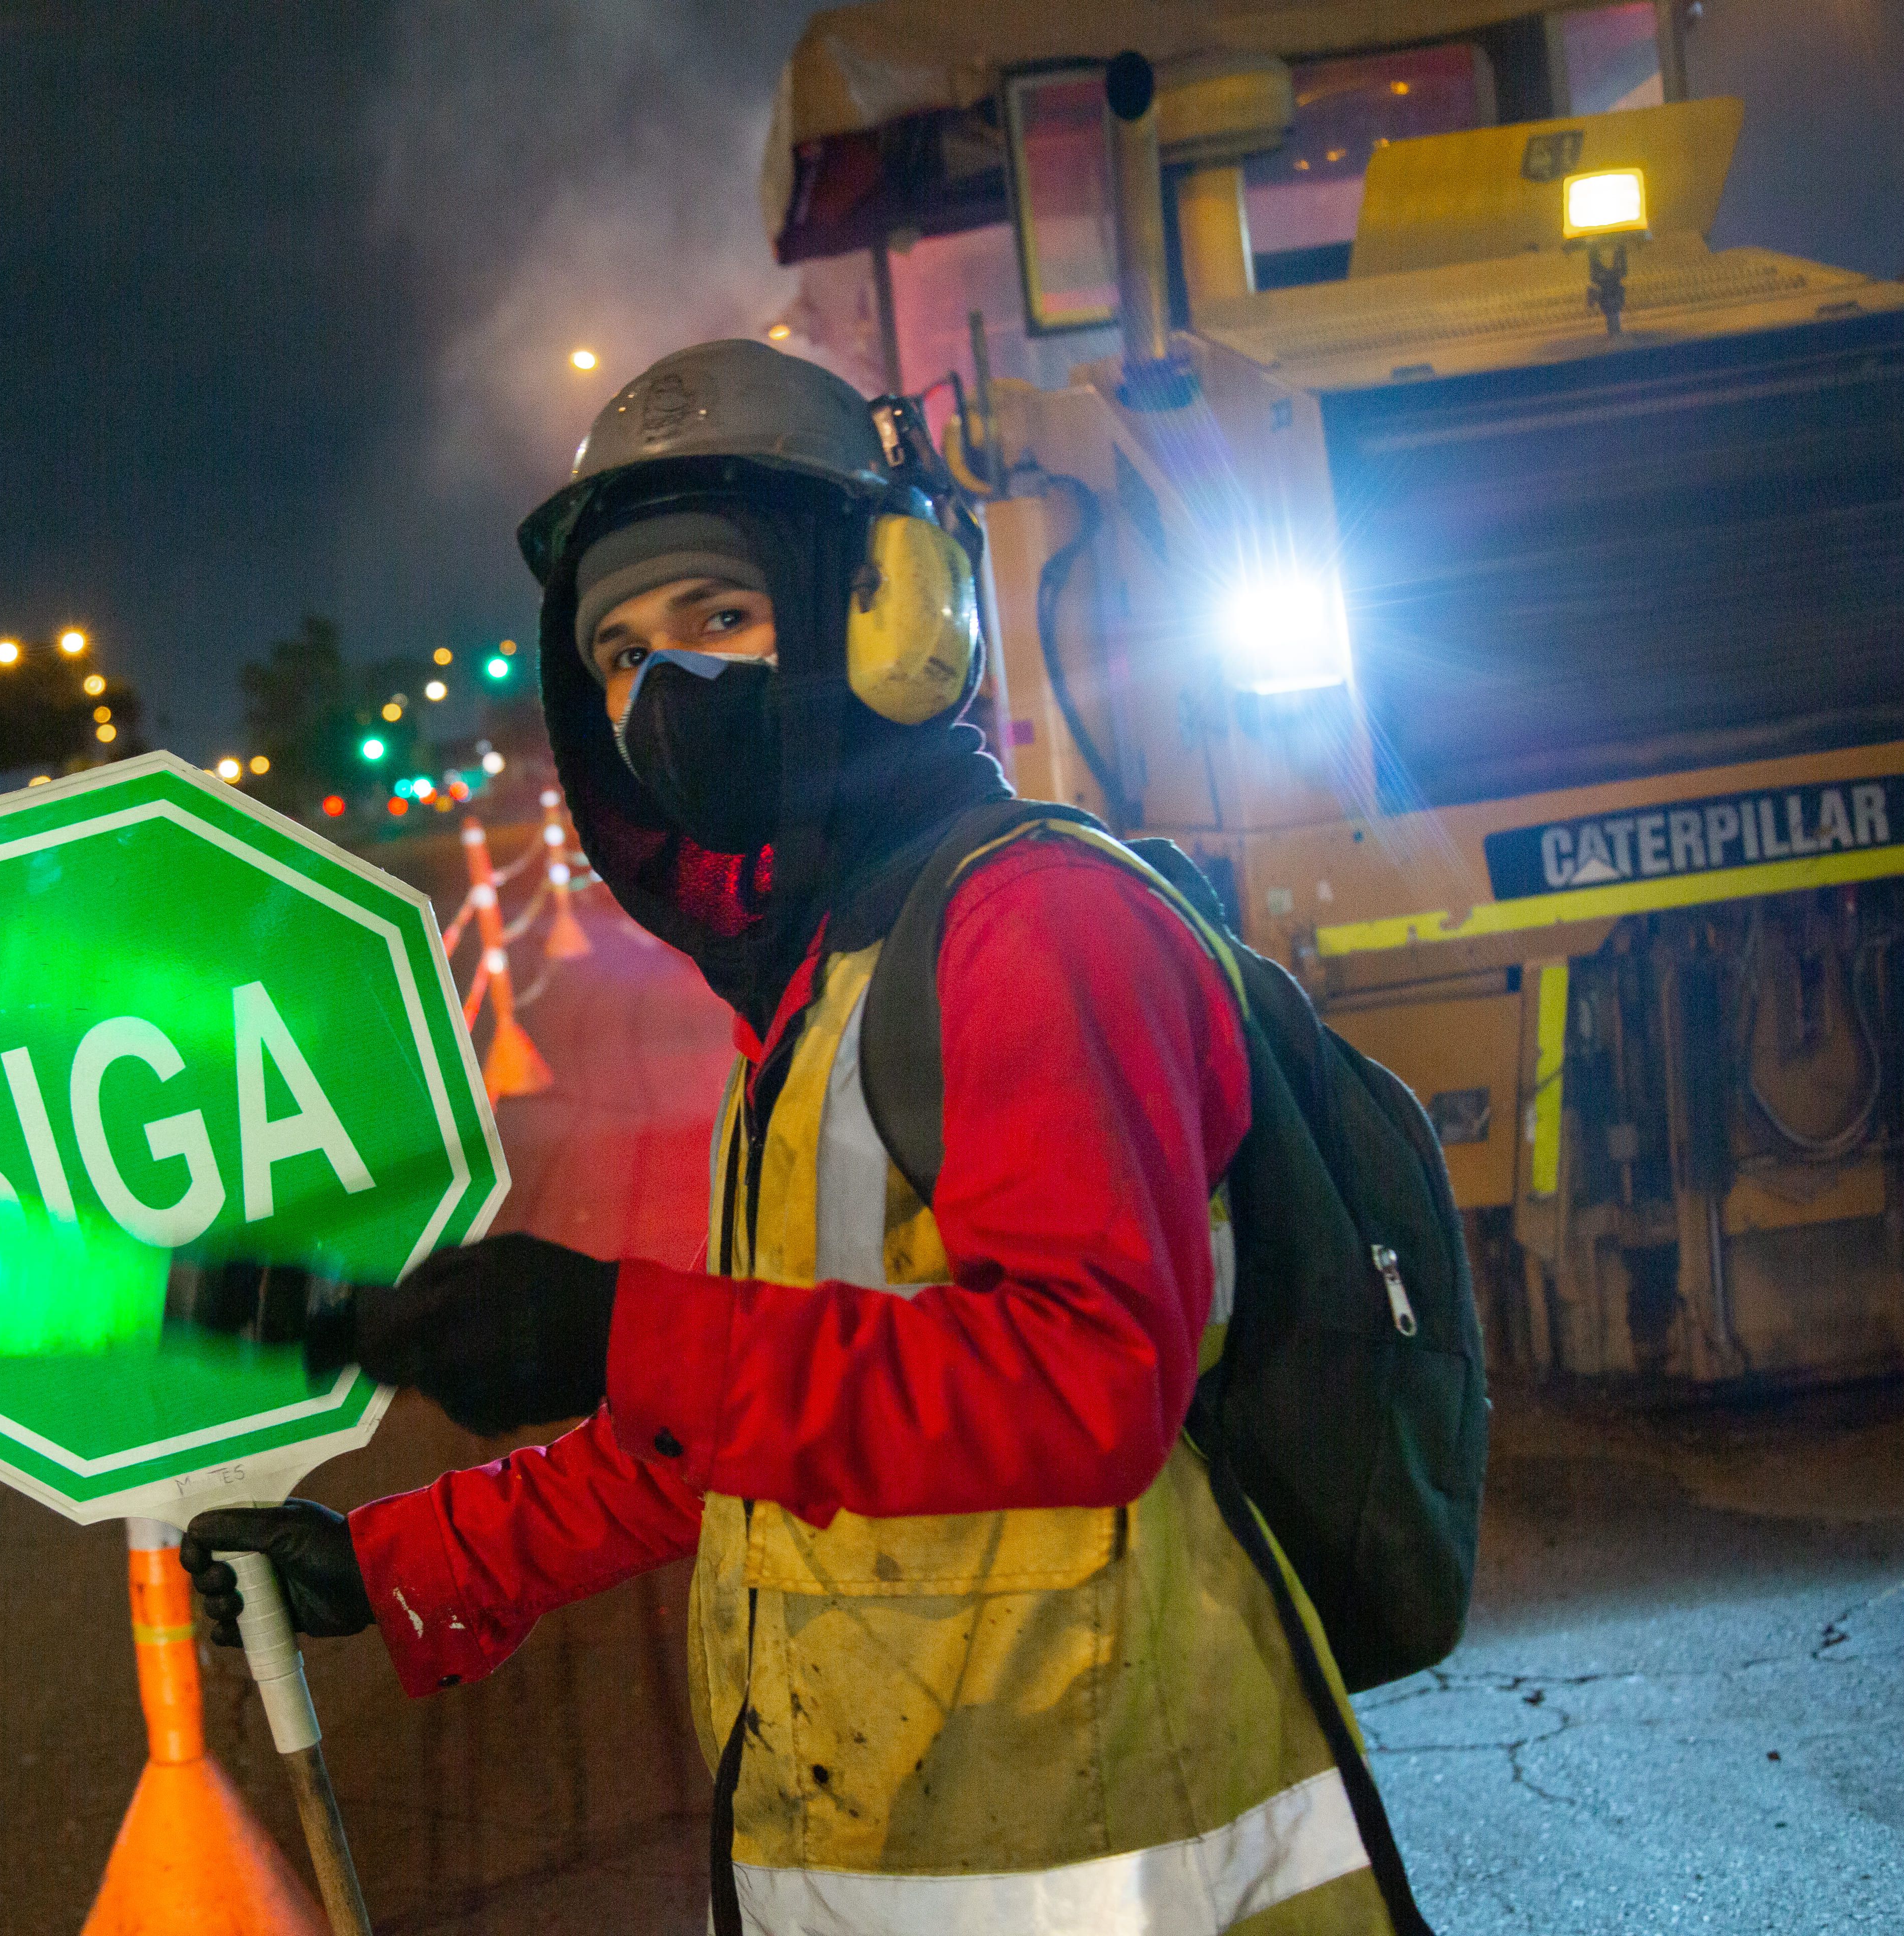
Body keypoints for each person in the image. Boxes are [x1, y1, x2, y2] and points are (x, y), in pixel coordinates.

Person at [182, 340, 1404, 1934]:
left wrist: (614, 1329)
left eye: (718, 619)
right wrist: (400, 1562)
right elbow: (764, 1427)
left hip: (1124, 1862)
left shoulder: (1038, 929)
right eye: (620, 655)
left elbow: (1086, 1385)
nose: (663, 697)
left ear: (885, 619)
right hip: (902, 1859)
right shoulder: (826, 974)